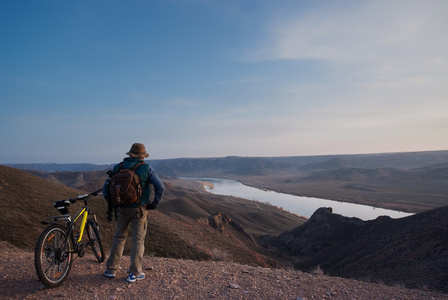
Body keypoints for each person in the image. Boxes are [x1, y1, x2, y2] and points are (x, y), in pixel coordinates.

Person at [103, 143, 165, 283]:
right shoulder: (146, 168)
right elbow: (160, 188)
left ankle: (111, 270)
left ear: (130, 154)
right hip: (139, 209)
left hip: (121, 208)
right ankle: (135, 273)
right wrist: (153, 204)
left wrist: (113, 203)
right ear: (142, 156)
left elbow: (106, 187)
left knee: (119, 236)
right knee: (137, 239)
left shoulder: (117, 168)